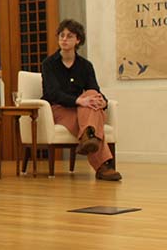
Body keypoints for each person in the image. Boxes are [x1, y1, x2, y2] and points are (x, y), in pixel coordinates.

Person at [41, 19, 122, 181]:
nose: (64, 39)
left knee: (91, 94)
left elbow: (95, 90)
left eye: (69, 36)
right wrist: (79, 101)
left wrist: (103, 102)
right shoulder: (49, 64)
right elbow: (53, 93)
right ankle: (102, 165)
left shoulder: (85, 65)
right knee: (92, 111)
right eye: (62, 35)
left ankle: (88, 137)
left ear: (78, 40)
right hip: (58, 108)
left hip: (82, 109)